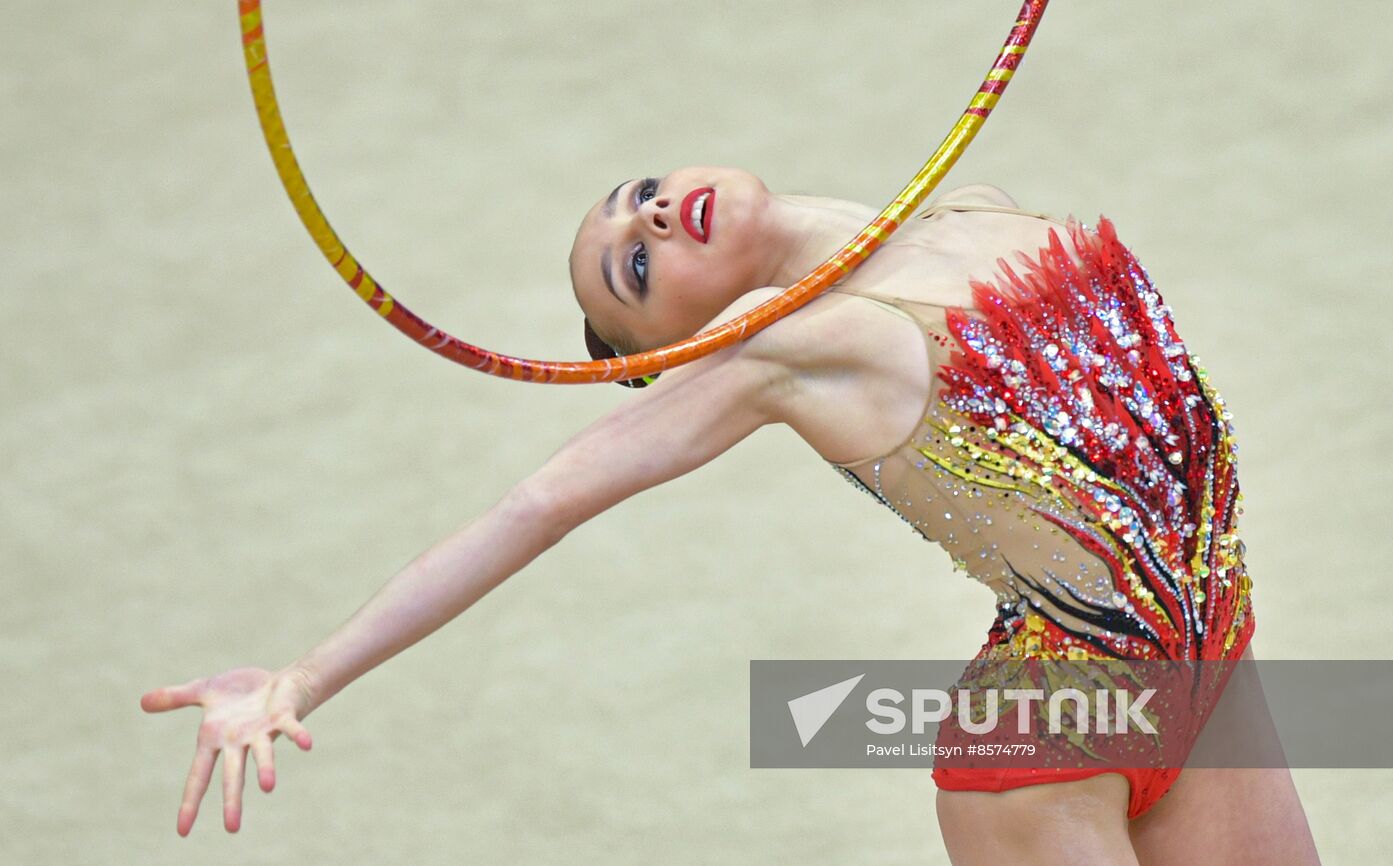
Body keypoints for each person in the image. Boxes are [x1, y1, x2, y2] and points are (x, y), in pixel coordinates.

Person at [142, 166, 1320, 863]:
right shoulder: (784, 353)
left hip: (1203, 665)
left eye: (636, 199)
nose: (648, 221)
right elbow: (538, 503)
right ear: (677, 350)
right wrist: (299, 677)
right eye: (632, 275)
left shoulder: (972, 202)